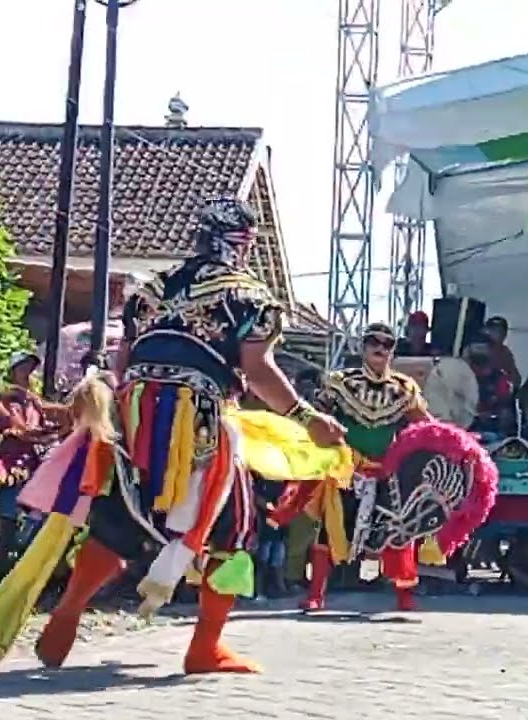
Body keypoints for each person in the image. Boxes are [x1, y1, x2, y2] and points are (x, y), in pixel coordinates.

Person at [30, 197, 346, 675]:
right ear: (242, 244)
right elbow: (258, 370)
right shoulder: (250, 297)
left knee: (123, 516)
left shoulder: (149, 289)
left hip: (136, 411)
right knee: (233, 526)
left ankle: (69, 609)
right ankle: (205, 648)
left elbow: (124, 360)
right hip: (200, 419)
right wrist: (307, 418)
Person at [297, 323, 433, 612]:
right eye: (373, 341)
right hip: (348, 466)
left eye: (387, 343)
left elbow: (424, 424)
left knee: (398, 530)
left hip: (386, 469)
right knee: (331, 528)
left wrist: (452, 441)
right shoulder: (339, 381)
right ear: (362, 346)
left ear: (393, 351)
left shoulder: (405, 388)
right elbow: (316, 416)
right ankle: (316, 594)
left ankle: (404, 597)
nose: (380, 348)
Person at [0, 351, 62, 585]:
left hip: (32, 468)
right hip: (12, 469)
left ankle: (19, 576)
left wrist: (53, 428)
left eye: (30, 368)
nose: (27, 373)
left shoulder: (32, 400)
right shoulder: (8, 400)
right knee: (7, 525)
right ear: (13, 372)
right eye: (22, 368)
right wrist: (46, 434)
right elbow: (21, 430)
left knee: (33, 523)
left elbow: (42, 424)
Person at [466, 340, 516, 436]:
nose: (481, 367)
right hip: (470, 419)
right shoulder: (464, 376)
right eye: (477, 363)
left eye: (484, 362)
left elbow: (505, 400)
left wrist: (493, 410)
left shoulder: (499, 377)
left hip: (493, 420)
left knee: (506, 414)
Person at [484, 316, 521, 387]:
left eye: (500, 331)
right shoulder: (478, 349)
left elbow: (516, 379)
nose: (497, 334)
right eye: (493, 330)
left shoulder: (505, 353)